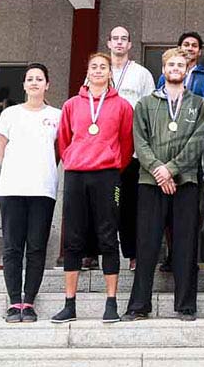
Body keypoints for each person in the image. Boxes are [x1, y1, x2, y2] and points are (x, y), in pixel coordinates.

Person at [122, 48, 204, 322]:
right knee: (147, 244)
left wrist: (171, 170)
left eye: (180, 64)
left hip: (185, 182)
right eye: (171, 64)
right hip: (151, 182)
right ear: (163, 70)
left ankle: (186, 305)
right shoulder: (146, 104)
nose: (175, 68)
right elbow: (140, 141)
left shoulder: (199, 104)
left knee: (185, 245)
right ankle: (138, 306)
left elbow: (197, 142)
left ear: (187, 70)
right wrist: (159, 170)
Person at [52, 53, 134, 324]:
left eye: (104, 67)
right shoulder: (72, 104)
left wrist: (111, 165)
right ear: (87, 73)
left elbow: (126, 143)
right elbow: (63, 141)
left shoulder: (122, 105)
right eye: (94, 67)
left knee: (108, 236)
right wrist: (75, 160)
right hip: (76, 175)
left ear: (110, 72)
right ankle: (69, 303)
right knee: (73, 238)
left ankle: (111, 302)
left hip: (108, 177)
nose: (99, 71)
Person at [0, 63, 61, 323]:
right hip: (12, 188)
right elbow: (2, 151)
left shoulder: (57, 114)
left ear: (47, 85)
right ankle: (14, 302)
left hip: (43, 190)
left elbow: (58, 152)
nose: (34, 83)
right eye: (30, 79)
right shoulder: (10, 114)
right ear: (24, 85)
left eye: (39, 79)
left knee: (36, 247)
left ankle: (29, 301)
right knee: (12, 247)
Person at [156, 31, 204, 272]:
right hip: (168, 154)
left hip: (198, 150)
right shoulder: (165, 77)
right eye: (186, 45)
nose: (190, 48)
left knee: (193, 209)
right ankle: (172, 254)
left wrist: (203, 141)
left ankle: (190, 256)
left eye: (194, 46)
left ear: (200, 51)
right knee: (168, 209)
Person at [108, 26, 155, 272]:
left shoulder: (141, 74)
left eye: (123, 39)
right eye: (115, 39)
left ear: (129, 45)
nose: (119, 43)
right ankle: (97, 252)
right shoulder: (99, 70)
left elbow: (149, 111)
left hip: (132, 151)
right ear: (108, 43)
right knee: (103, 205)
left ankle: (133, 253)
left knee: (128, 205)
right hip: (103, 151)